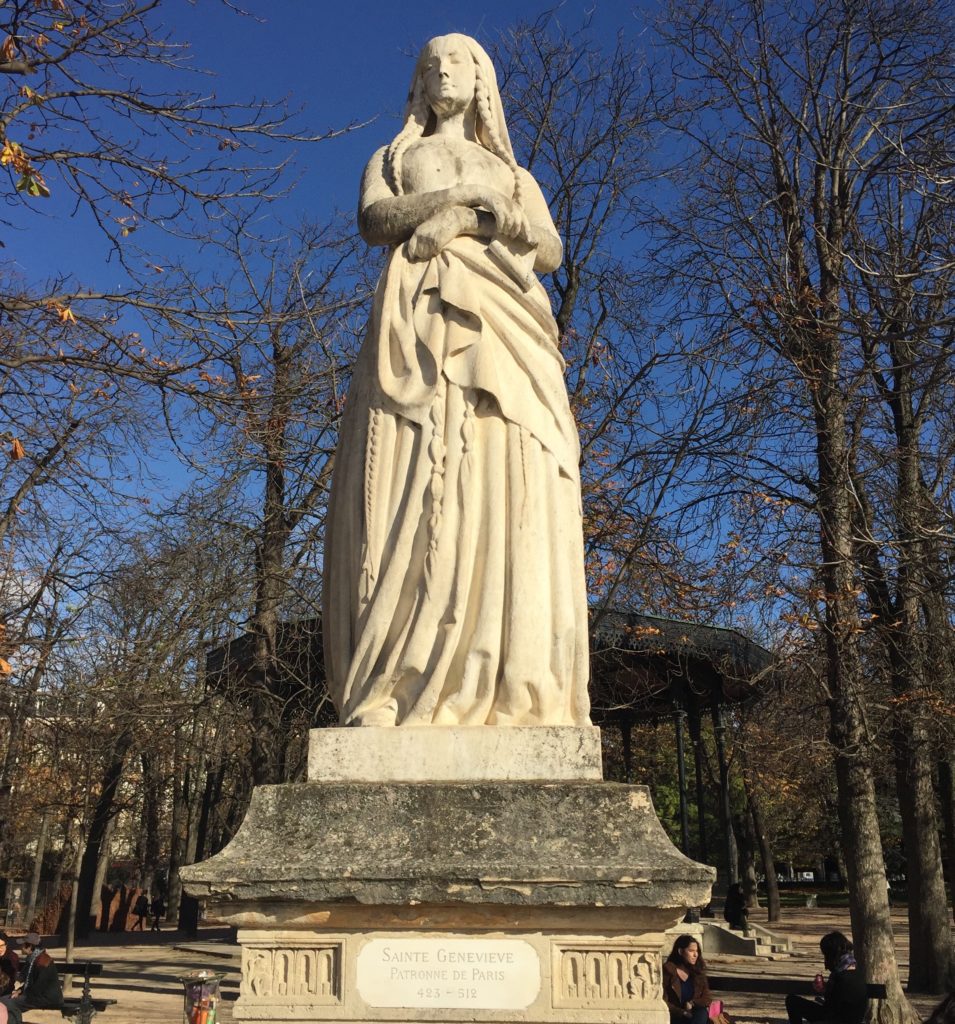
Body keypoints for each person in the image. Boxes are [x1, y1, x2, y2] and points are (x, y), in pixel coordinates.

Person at [323, 33, 590, 728]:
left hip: (509, 326)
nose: (444, 70)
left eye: (460, 62)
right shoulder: (394, 156)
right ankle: (398, 678)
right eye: (431, 63)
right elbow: (376, 220)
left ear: (482, 83)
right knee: (416, 488)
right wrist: (457, 199)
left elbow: (550, 249)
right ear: (418, 84)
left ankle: (507, 678)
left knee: (508, 481)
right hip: (416, 330)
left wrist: (463, 217)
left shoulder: (516, 174)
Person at [785, 931, 868, 1024]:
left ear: (832, 954)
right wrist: (825, 989)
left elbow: (833, 1007)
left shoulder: (842, 978)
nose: (825, 960)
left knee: (793, 1002)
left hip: (837, 1020)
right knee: (792, 1001)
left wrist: (825, 990)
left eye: (826, 955)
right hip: (833, 1016)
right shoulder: (853, 972)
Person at [4, 932, 61, 1013]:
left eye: (23, 945)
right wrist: (19, 991)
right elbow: (31, 983)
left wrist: (21, 993)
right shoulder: (33, 959)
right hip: (36, 995)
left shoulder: (42, 962)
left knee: (7, 1003)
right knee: (4, 1001)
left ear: (30, 946)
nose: (21, 947)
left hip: (46, 999)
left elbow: (38, 987)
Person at [663, 934, 714, 1024]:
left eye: (697, 951)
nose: (695, 955)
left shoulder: (698, 972)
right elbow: (663, 1000)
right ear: (680, 951)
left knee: (701, 1012)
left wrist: (692, 1003)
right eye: (691, 951)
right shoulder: (668, 970)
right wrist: (682, 1012)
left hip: (695, 1015)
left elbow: (707, 997)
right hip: (676, 1016)